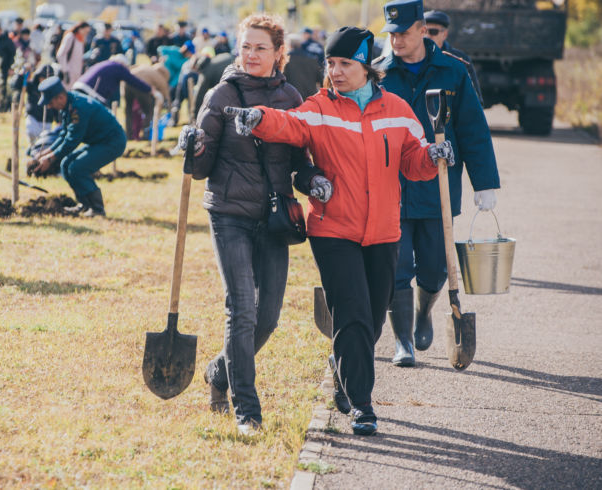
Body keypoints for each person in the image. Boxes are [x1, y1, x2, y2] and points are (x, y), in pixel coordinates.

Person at [224, 26, 455, 435]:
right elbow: (287, 124)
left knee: (372, 319)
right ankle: (362, 406)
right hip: (334, 230)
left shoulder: (399, 110)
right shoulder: (319, 107)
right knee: (351, 315)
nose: (336, 71)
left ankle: (343, 365)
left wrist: (433, 155)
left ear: (367, 66)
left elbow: (414, 162)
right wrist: (258, 119)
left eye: (345, 64)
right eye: (331, 64)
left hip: (384, 231)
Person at [177, 13, 321, 437]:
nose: (252, 54)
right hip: (229, 213)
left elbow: (299, 162)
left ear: (279, 53)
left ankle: (218, 373)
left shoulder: (293, 96)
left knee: (268, 318)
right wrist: (194, 144)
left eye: (261, 47)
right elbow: (201, 168)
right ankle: (247, 411)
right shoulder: (222, 93)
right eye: (246, 46)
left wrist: (316, 181)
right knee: (241, 309)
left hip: (275, 218)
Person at [376, 0, 500, 367]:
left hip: (438, 187)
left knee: (434, 269)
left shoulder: (453, 71)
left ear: (421, 30)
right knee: (395, 267)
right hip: (391, 185)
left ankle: (422, 312)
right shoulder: (379, 74)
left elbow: (473, 129)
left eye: (402, 33)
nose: (395, 40)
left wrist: (485, 182)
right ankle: (402, 342)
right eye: (391, 34)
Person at [29, 76, 126, 217]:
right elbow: (64, 133)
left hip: (112, 142)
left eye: (50, 102)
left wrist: (50, 159)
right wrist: (45, 153)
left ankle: (97, 209)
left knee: (78, 167)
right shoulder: (68, 105)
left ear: (60, 97)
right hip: (99, 141)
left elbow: (72, 140)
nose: (49, 106)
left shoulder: (78, 108)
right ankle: (84, 204)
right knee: (65, 165)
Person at [424, 10, 483, 106]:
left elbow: (476, 100)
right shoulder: (413, 58)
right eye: (424, 31)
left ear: (444, 34)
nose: (427, 36)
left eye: (433, 32)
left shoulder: (460, 60)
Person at [73, 54, 157, 109]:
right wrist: (149, 89)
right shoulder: (118, 67)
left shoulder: (106, 63)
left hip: (78, 86)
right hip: (90, 92)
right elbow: (133, 80)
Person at [124, 62, 170, 140]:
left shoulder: (147, 67)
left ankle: (129, 135)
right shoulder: (161, 79)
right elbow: (164, 98)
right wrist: (165, 110)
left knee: (128, 110)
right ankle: (146, 134)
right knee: (148, 111)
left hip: (128, 81)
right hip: (141, 85)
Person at [14, 64, 59, 144]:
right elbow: (17, 85)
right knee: (32, 135)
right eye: (42, 78)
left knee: (44, 142)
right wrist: (23, 71)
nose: (44, 80)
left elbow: (56, 108)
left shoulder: (53, 92)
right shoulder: (32, 86)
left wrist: (58, 120)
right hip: (33, 118)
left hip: (47, 122)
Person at [283, 33, 323, 100]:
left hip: (292, 98)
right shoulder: (312, 59)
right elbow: (321, 79)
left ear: (289, 45)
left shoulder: (286, 61)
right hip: (310, 98)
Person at [56, 21, 89, 88]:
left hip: (77, 73)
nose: (86, 34)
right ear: (80, 29)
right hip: (68, 72)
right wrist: (65, 71)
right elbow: (61, 54)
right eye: (85, 31)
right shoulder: (71, 37)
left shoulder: (81, 40)